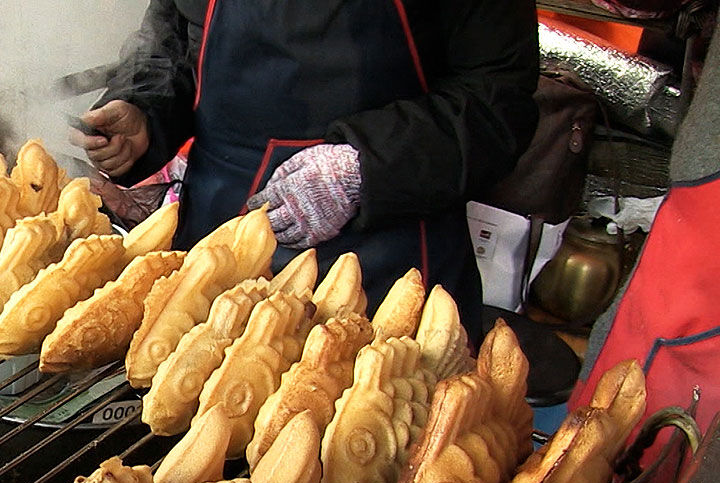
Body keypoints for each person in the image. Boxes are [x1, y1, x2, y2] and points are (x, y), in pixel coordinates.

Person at [71, 0, 541, 338]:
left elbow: (498, 102)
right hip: (214, 249)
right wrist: (143, 110)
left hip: (387, 267)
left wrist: (364, 167)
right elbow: (174, 40)